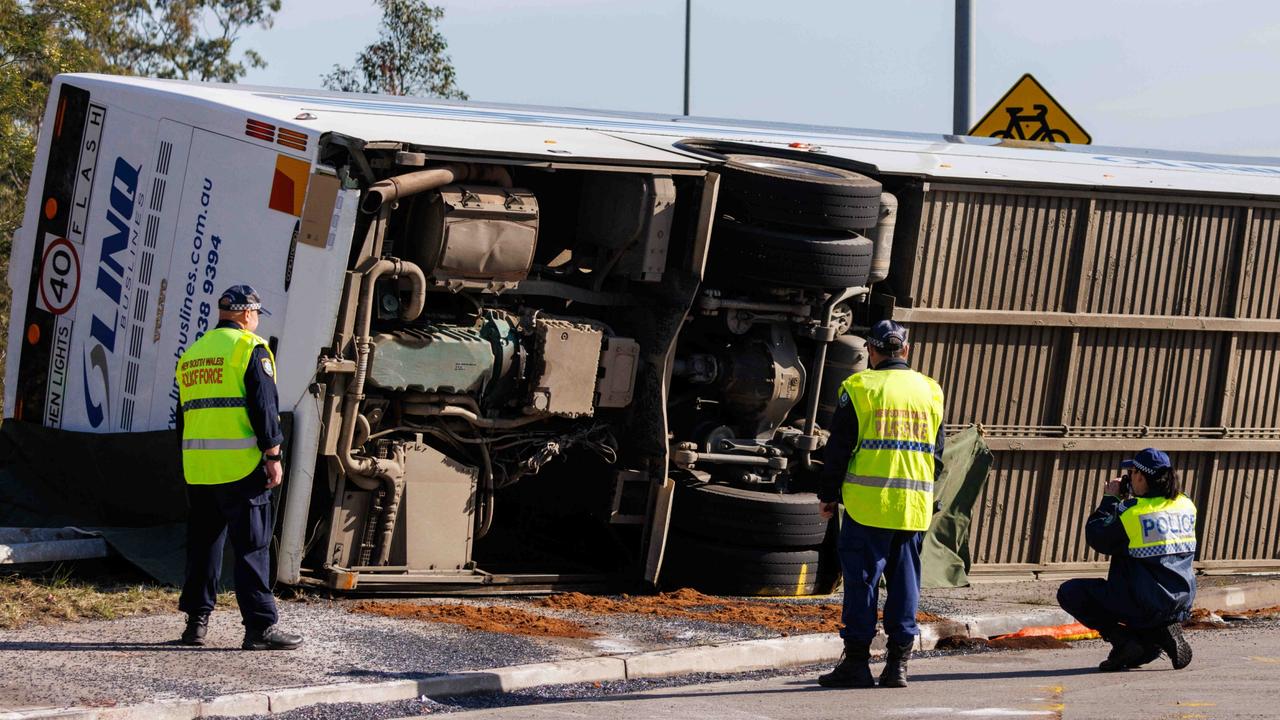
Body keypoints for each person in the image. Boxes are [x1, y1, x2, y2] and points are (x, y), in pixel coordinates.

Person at [816, 320, 945, 689]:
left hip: (867, 506)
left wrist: (828, 495)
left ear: (871, 352)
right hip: (913, 507)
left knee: (862, 584)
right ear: (906, 350)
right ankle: (898, 665)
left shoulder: (859, 387)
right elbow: (937, 455)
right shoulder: (930, 391)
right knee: (905, 585)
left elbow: (838, 449)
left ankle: (856, 664)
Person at [176, 285, 302, 651]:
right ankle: (259, 627)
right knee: (252, 546)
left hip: (199, 468)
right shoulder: (250, 348)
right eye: (257, 315)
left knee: (203, 546)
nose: (257, 321)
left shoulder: (192, 355)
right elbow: (264, 407)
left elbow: (182, 418)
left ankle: (195, 625)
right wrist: (273, 456)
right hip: (241, 467)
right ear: (247, 314)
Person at [1057, 447, 1196, 672]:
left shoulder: (1132, 513)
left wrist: (1110, 499)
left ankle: (1124, 641)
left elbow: (1097, 536)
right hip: (1179, 601)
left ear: (1141, 477)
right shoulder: (1185, 504)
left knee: (1070, 592)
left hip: (1144, 602)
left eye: (1131, 473)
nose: (1128, 479)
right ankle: (1161, 632)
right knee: (1137, 652)